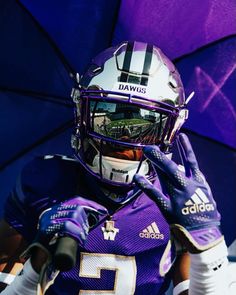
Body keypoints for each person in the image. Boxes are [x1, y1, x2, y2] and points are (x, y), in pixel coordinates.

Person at [0, 41, 232, 295]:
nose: (123, 140)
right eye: (108, 116)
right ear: (81, 113)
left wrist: (208, 251)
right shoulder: (44, 180)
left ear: (172, 128)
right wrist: (36, 264)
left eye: (145, 125)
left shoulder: (175, 195)